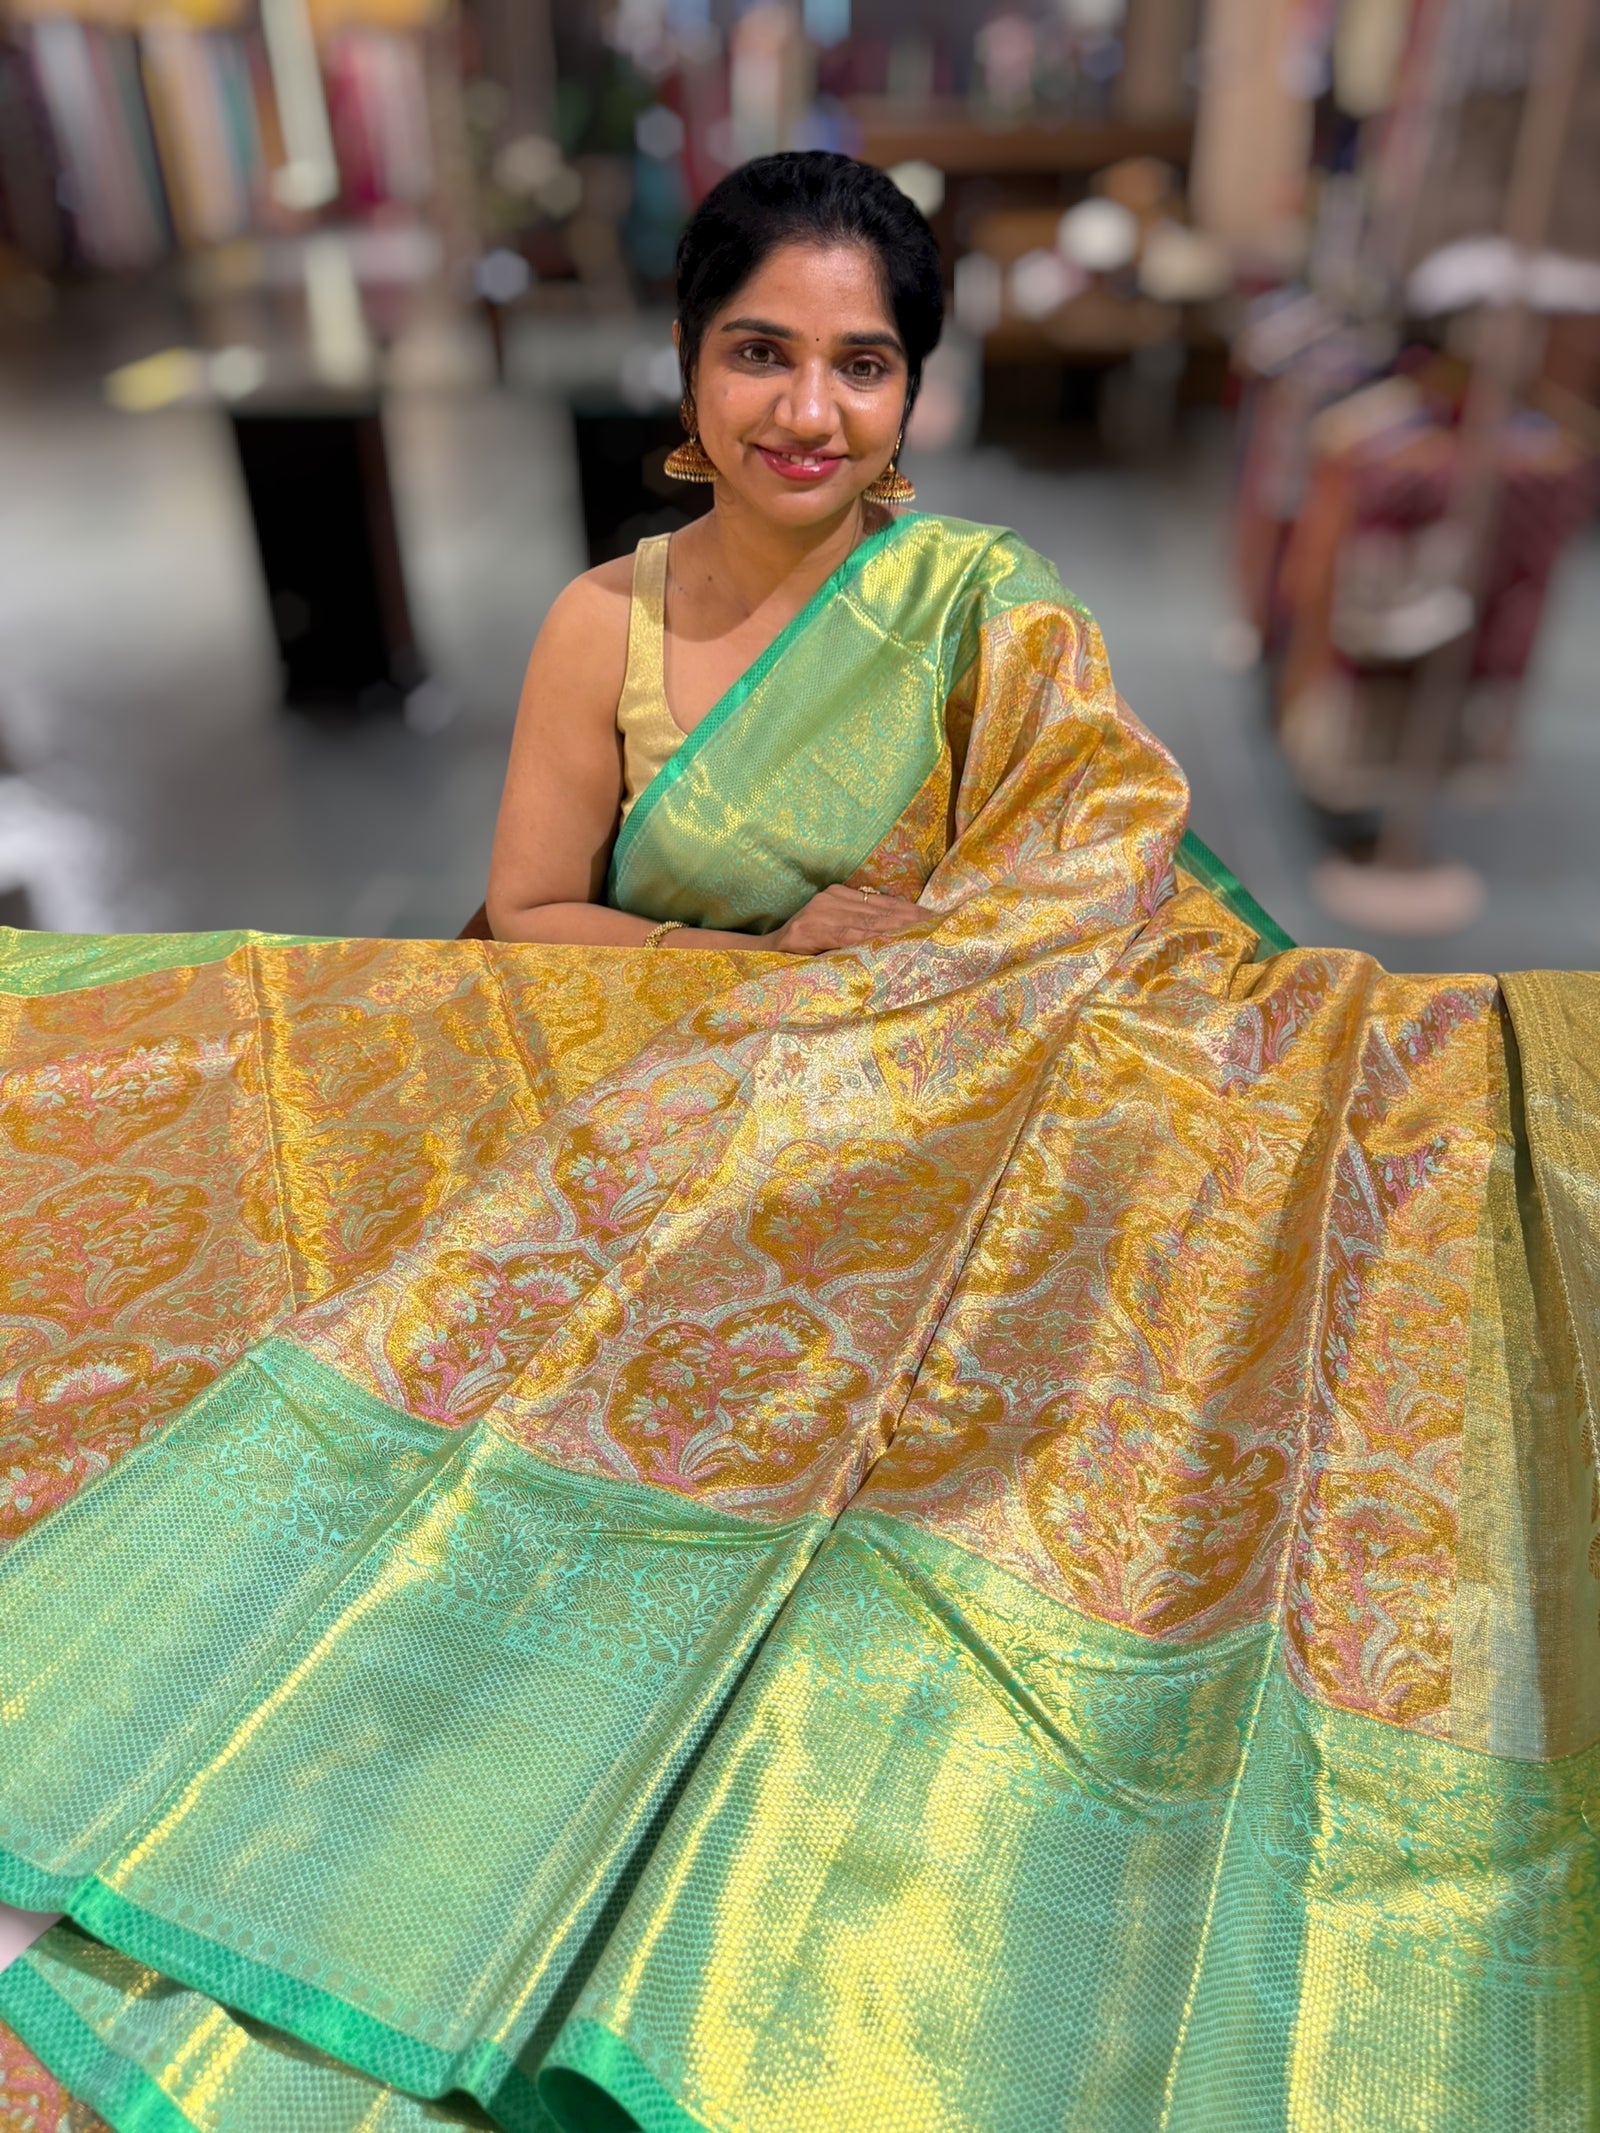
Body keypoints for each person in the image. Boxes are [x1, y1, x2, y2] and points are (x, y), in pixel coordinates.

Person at [0, 153, 1594, 2133]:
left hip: (947, 1152)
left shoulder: (980, 611)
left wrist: (926, 992)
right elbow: (527, 915)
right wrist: (758, 958)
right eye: (759, 352)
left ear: (914, 392)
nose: (807, 410)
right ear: (685, 369)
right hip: (708, 1129)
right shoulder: (605, 626)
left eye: (860, 362)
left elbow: (1097, 871)